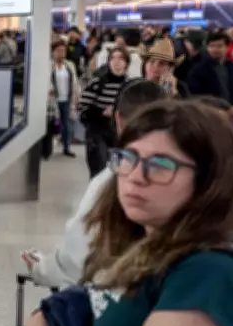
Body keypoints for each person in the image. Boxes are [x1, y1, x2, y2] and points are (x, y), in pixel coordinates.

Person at [17, 99, 233, 326]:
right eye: (128, 157)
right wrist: (45, 317)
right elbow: (97, 297)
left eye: (161, 165)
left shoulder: (210, 275)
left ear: (208, 181)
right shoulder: (140, 242)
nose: (135, 175)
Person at [25, 79, 168, 288]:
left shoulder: (110, 182)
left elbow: (78, 260)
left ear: (118, 120)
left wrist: (43, 268)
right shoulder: (188, 176)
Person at [79, 48, 130, 177]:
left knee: (118, 171)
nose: (116, 62)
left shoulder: (129, 85)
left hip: (118, 131)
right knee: (99, 170)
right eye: (113, 58)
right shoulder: (98, 82)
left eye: (121, 58)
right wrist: (102, 112)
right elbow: (82, 106)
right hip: (97, 130)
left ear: (127, 63)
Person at [50, 41, 80, 157]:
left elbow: (75, 82)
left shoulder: (69, 65)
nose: (61, 53)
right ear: (53, 52)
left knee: (67, 124)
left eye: (63, 51)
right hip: (53, 100)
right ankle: (49, 146)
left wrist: (76, 97)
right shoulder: (49, 66)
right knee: (53, 124)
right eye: (58, 51)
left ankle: (66, 147)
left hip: (67, 99)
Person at [187, 31, 233, 104]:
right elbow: (194, 94)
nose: (215, 49)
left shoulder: (232, 67)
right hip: (211, 111)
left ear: (227, 47)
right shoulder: (198, 70)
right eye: (212, 46)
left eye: (219, 46)